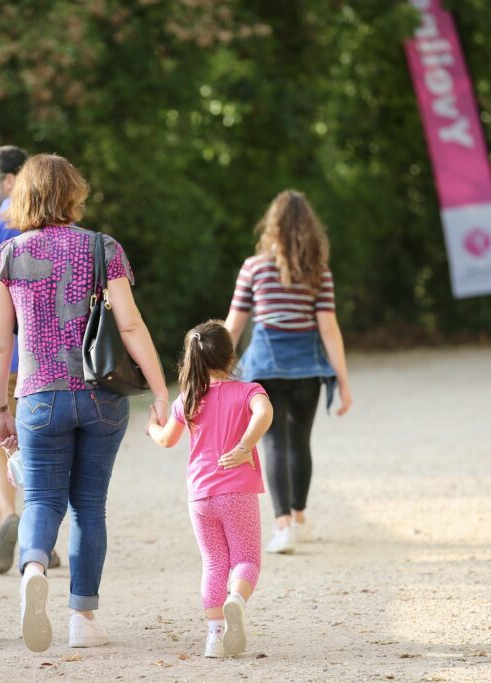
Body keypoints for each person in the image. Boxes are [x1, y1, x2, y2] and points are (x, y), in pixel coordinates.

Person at [0, 154, 169, 652]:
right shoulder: (102, 247)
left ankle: (33, 569)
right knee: (89, 506)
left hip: (38, 397)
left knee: (42, 500)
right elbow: (129, 325)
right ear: (73, 194)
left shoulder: (6, 256)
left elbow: (0, 345)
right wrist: (158, 391)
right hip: (100, 396)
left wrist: (0, 409)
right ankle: (82, 619)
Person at [223, 189, 352, 555]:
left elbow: (234, 324)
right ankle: (298, 518)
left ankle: (283, 527)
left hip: (264, 367)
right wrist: (342, 381)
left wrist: (211, 367)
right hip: (308, 368)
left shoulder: (254, 267)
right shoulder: (318, 272)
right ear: (310, 229)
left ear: (272, 226)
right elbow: (328, 328)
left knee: (274, 442)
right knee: (300, 442)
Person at [145, 320, 273, 659]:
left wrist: (151, 425)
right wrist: (245, 446)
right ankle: (236, 601)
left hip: (200, 496)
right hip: (238, 491)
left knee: (214, 562)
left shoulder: (187, 399)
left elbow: (166, 440)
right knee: (246, 559)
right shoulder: (248, 391)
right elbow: (265, 413)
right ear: (231, 358)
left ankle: (215, 637)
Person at [0, 144, 60, 573]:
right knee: (41, 440)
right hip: (48, 355)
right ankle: (42, 532)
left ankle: (10, 517)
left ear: (9, 180)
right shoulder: (58, 223)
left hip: (0, 354)